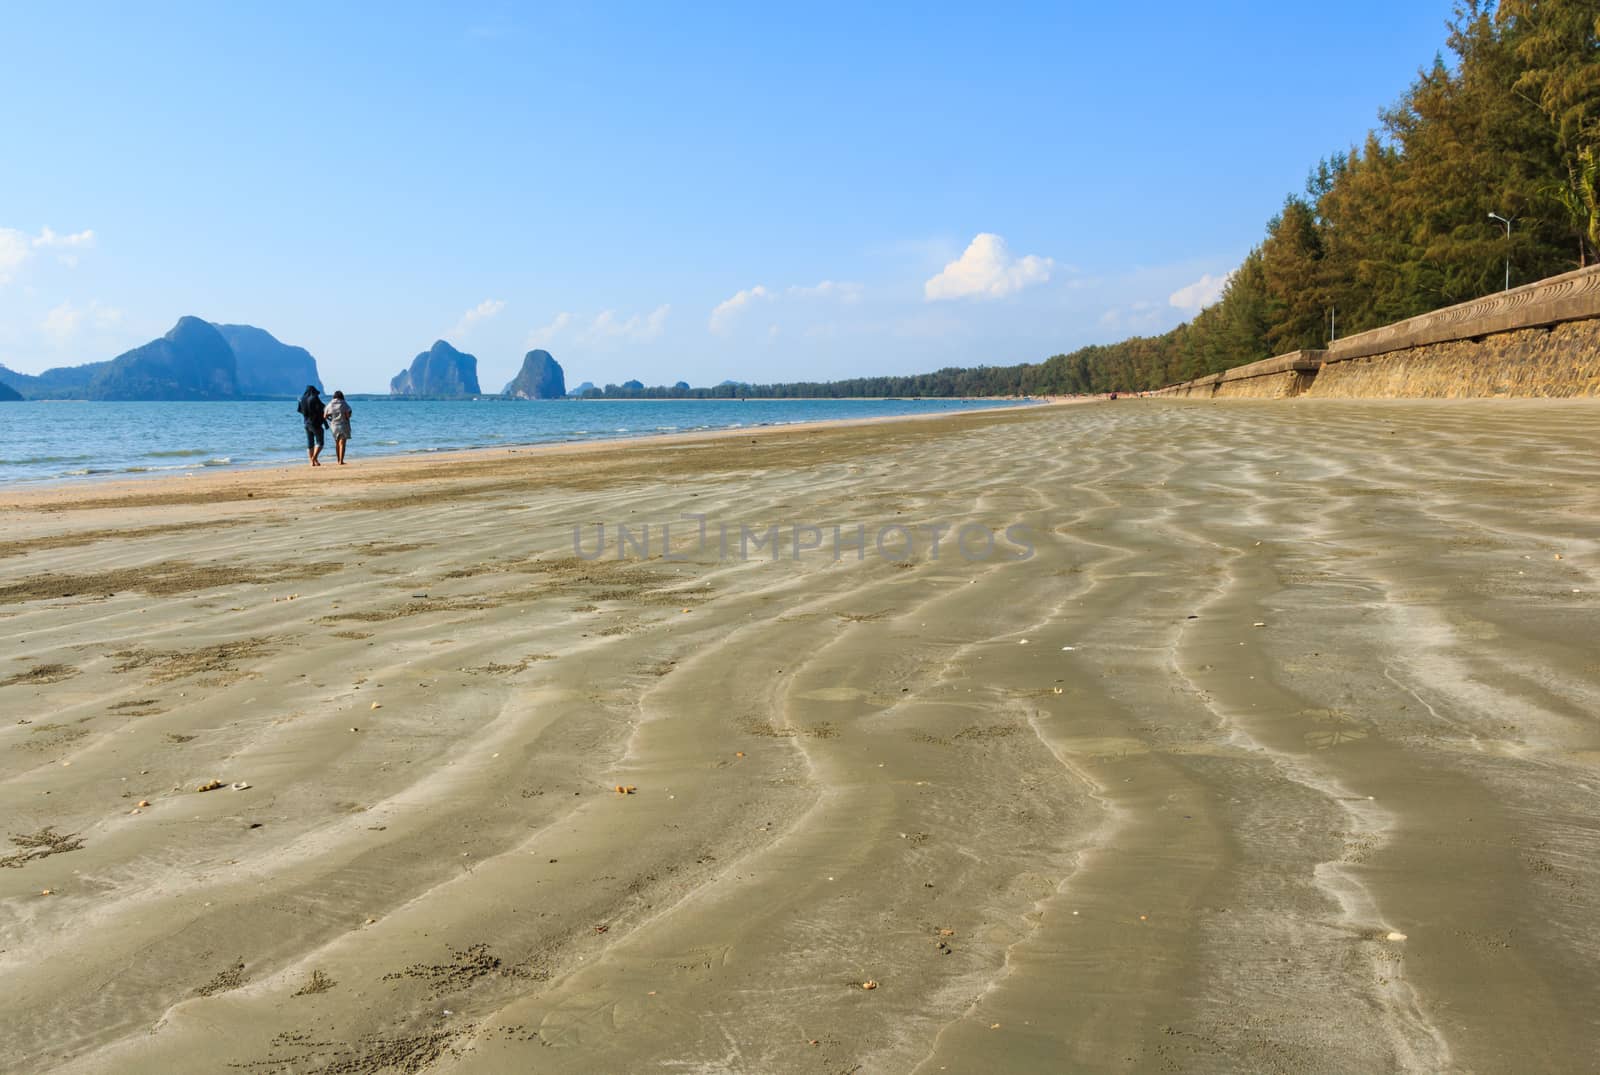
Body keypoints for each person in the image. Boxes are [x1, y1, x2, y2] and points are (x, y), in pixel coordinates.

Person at [297, 385, 327, 466]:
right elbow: (322, 407)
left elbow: (299, 410)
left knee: (310, 443)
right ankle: (314, 458)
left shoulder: (301, 399)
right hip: (315, 423)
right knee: (320, 442)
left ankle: (312, 461)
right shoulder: (314, 398)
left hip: (306, 423)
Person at [325, 390, 353, 465]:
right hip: (343, 424)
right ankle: (341, 461)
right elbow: (348, 414)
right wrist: (347, 417)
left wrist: (331, 419)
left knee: (337, 443)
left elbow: (325, 416)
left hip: (334, 426)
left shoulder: (330, 404)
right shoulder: (343, 403)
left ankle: (338, 460)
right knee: (342, 443)